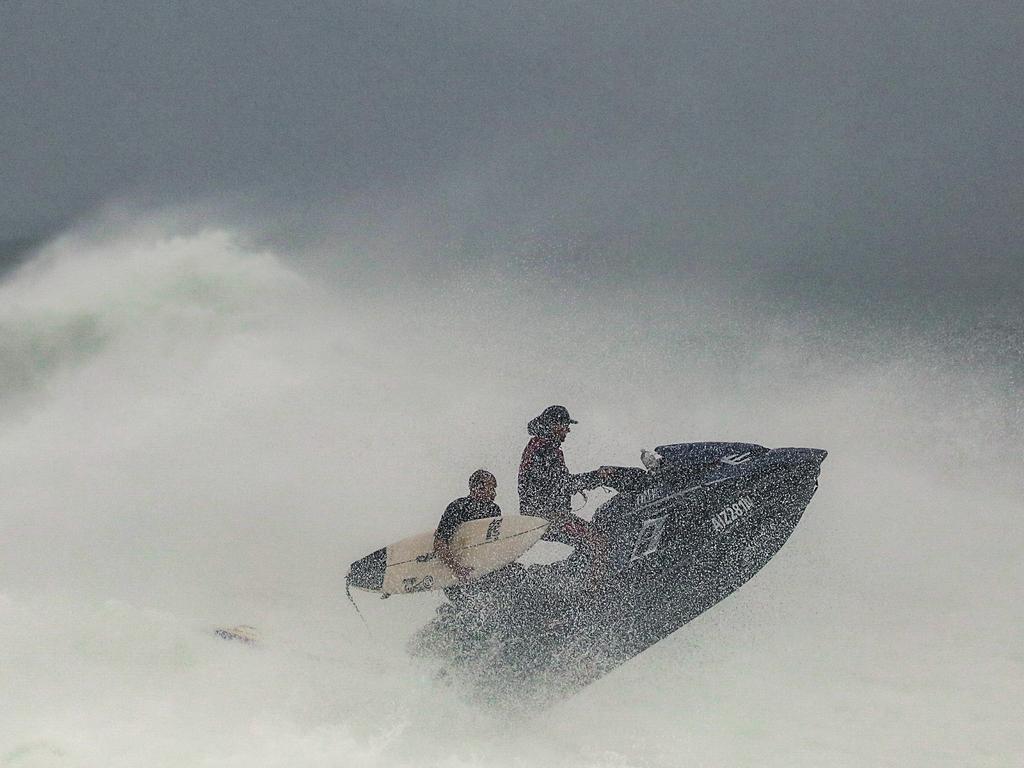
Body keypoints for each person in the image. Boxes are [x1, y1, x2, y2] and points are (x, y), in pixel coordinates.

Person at [518, 405, 610, 558]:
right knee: (598, 542)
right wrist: (597, 477)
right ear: (554, 425)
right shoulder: (545, 449)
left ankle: (574, 576)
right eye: (566, 426)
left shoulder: (537, 445)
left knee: (589, 544)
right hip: (547, 518)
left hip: (539, 516)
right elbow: (563, 484)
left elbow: (554, 483)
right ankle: (597, 582)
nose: (568, 430)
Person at [434, 469, 501, 605]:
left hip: (484, 572)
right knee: (469, 608)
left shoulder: (494, 510)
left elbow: (496, 542)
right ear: (479, 488)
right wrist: (457, 569)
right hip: (456, 575)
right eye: (491, 488)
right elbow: (439, 543)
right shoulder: (458, 508)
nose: (495, 493)